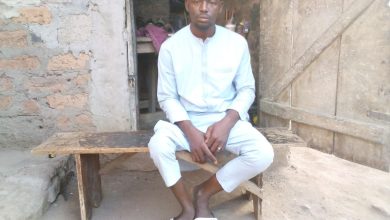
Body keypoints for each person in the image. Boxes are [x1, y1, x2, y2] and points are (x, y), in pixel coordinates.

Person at [148, 0, 274, 219]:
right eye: (197, 1)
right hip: (186, 120)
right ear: (188, 4)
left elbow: (246, 90)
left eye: (212, 2)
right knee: (158, 145)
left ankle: (203, 194)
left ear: (221, 6)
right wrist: (190, 132)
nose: (204, 7)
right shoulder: (171, 47)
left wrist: (225, 125)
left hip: (225, 120)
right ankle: (187, 207)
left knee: (263, 154)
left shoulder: (237, 44)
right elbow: (167, 97)